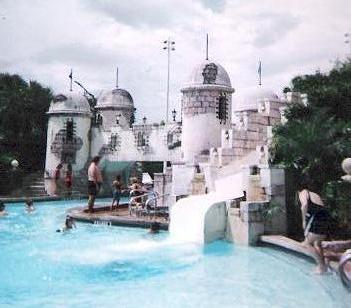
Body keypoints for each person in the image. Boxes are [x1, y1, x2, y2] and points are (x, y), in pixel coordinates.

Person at [298, 179, 331, 274]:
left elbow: (304, 205)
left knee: (306, 244)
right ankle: (324, 266)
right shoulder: (315, 194)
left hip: (318, 217)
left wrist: (304, 220)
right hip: (326, 217)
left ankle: (321, 267)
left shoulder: (303, 192)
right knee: (317, 243)